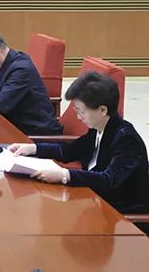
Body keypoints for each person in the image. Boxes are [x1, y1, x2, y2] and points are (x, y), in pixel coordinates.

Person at [9, 71, 149, 215]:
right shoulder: (98, 128)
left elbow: (109, 180)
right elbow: (69, 151)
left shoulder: (126, 139)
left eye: (81, 111)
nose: (78, 117)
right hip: (94, 200)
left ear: (102, 110)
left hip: (120, 214)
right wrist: (33, 148)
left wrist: (65, 175)